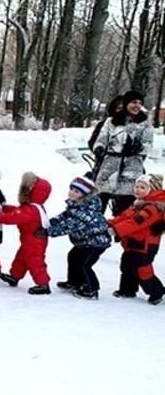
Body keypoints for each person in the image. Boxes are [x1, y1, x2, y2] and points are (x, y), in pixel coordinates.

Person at [42, 173, 111, 300]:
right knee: (73, 257)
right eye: (72, 189)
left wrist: (48, 231)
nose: (72, 193)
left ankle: (91, 289)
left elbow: (69, 226)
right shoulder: (75, 205)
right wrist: (49, 222)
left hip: (95, 243)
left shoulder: (85, 211)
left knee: (85, 264)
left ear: (85, 195)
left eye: (77, 192)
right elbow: (63, 216)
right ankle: (74, 282)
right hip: (84, 242)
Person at [93, 90, 155, 216]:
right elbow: (101, 139)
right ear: (126, 103)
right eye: (133, 102)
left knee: (124, 210)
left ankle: (120, 234)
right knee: (98, 206)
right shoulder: (112, 121)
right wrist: (99, 149)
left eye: (139, 103)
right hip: (109, 167)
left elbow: (148, 145)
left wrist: (137, 148)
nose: (137, 105)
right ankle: (94, 232)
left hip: (131, 169)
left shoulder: (144, 123)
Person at [0, 172, 53, 295]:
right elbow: (18, 211)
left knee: (35, 262)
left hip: (34, 242)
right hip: (31, 240)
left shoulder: (31, 210)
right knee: (21, 259)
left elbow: (13, 217)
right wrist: (5, 208)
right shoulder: (34, 207)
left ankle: (43, 284)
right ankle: (15, 276)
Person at [108, 174, 165, 305]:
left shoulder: (152, 208)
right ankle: (127, 289)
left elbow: (135, 223)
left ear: (153, 189)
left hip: (145, 246)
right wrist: (110, 223)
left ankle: (156, 291)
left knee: (142, 269)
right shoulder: (138, 204)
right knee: (127, 265)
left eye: (142, 187)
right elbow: (124, 217)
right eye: (137, 186)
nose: (137, 189)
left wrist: (116, 230)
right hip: (132, 244)